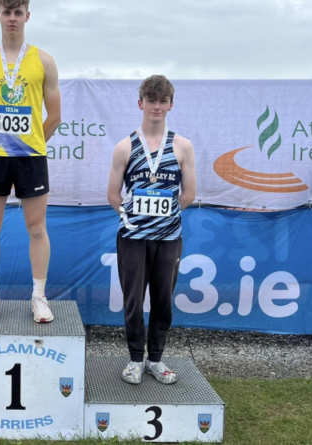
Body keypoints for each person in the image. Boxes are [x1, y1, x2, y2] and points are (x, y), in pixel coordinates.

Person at [0, 0, 61, 323]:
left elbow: (55, 116)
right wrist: (2, 144)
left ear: (27, 16)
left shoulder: (44, 61)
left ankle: (38, 296)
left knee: (36, 228)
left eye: (17, 12)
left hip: (31, 158)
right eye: (6, 12)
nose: (12, 18)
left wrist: (30, 145)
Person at [106, 75, 196, 384]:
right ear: (140, 103)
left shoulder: (183, 146)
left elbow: (189, 194)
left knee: (162, 300)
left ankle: (155, 360)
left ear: (170, 104)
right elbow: (112, 194)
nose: (156, 107)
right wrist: (129, 217)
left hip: (168, 238)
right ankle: (134, 359)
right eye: (151, 100)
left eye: (162, 101)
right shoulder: (124, 147)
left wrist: (165, 217)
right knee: (133, 299)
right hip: (132, 238)